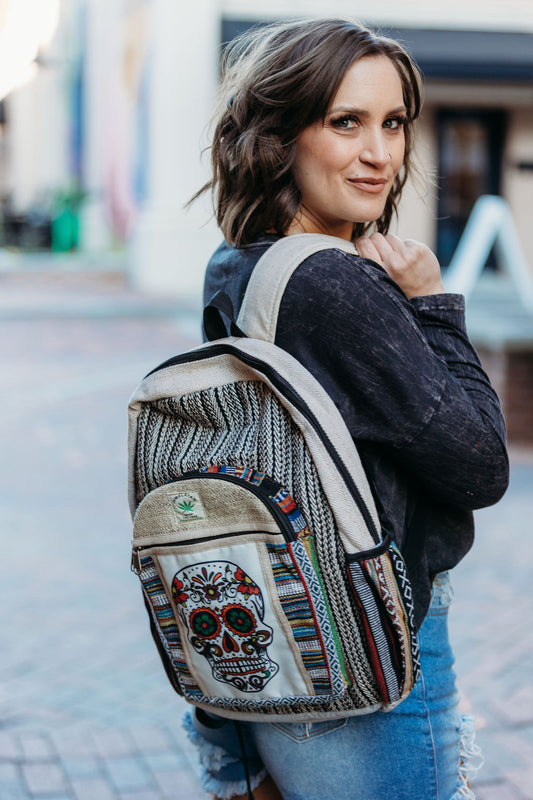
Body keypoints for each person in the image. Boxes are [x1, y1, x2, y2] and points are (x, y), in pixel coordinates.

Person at [184, 17, 509, 800]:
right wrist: (431, 305)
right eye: (344, 122)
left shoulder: (237, 268)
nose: (380, 154)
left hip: (264, 644)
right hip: (371, 656)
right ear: (281, 134)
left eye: (393, 123)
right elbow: (480, 466)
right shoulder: (336, 286)